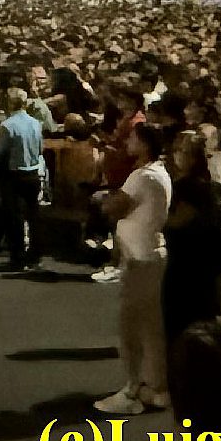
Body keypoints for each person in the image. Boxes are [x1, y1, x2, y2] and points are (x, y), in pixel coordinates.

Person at [95, 122, 171, 415]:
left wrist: (106, 200)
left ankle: (132, 390)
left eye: (134, 138)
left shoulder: (141, 177)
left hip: (142, 261)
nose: (128, 141)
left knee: (132, 328)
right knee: (151, 328)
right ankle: (156, 387)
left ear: (146, 144)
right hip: (149, 256)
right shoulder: (159, 173)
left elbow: (113, 207)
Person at [161, 128, 221, 354]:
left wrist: (150, 214)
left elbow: (178, 221)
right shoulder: (189, 183)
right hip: (189, 262)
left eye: (181, 151)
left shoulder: (193, 187)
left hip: (192, 267)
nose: (176, 155)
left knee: (188, 325)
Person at [0, 86, 44, 271]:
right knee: (33, 214)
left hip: (14, 174)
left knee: (15, 218)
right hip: (34, 172)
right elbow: (40, 148)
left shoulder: (7, 126)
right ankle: (36, 254)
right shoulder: (36, 123)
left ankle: (18, 257)